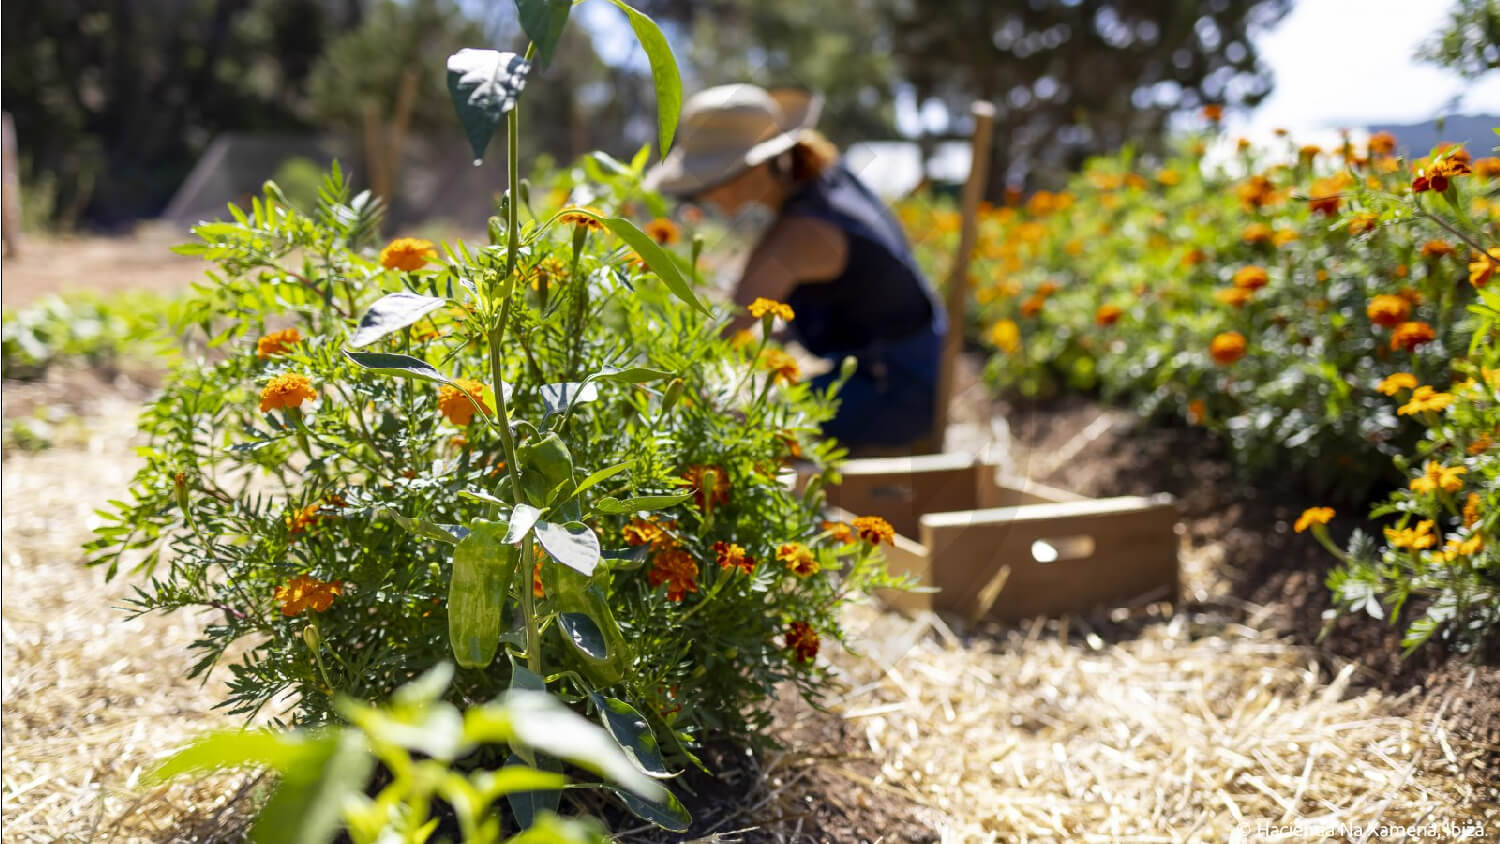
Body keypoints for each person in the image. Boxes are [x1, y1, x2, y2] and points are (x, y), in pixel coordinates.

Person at [645, 84, 946, 449]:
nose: (703, 196)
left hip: (900, 391)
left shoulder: (799, 234)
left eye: (706, 182)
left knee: (742, 427)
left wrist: (651, 391)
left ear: (754, 170)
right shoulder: (825, 179)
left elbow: (726, 327)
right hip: (918, 362)